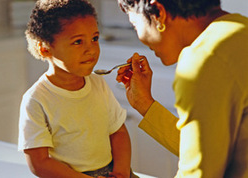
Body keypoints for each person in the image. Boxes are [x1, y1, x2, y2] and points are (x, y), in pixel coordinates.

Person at [116, 0, 248, 177]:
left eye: (134, 25)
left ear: (158, 13)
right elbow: (206, 149)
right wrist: (144, 103)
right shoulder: (240, 29)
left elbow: (198, 173)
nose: (141, 39)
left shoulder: (204, 58)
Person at [18, 0, 137, 177]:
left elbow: (118, 132)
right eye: (78, 42)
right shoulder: (36, 100)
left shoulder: (98, 84)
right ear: (44, 48)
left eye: (94, 39)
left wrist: (121, 171)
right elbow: (39, 163)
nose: (91, 50)